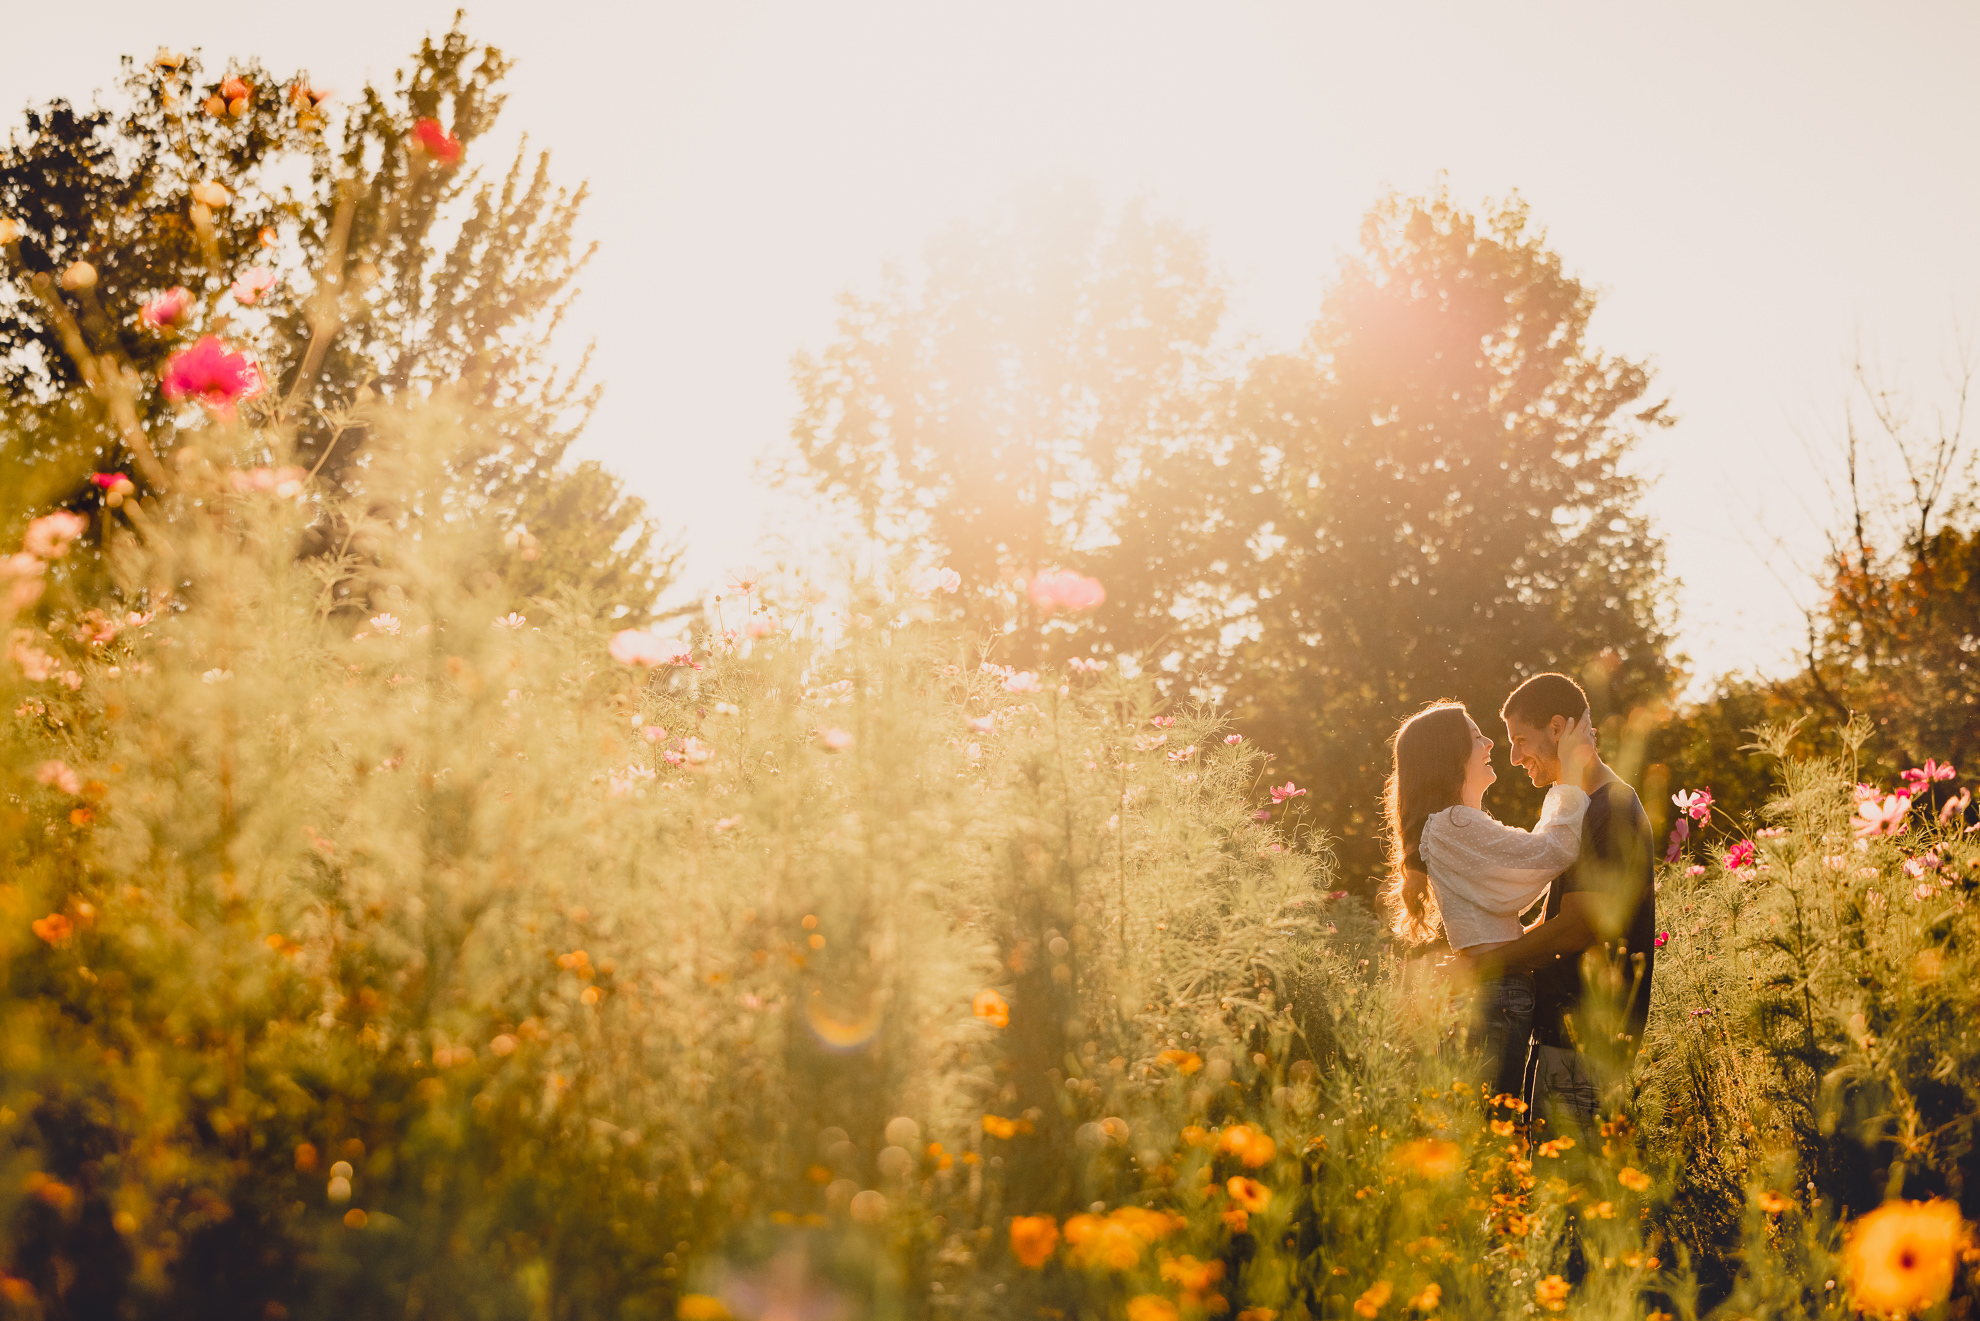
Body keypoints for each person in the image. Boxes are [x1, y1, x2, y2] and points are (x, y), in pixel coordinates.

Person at [1459, 673, 1658, 1138]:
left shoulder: (1613, 810)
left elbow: (1576, 928)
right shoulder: (1581, 808)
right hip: (1563, 1041)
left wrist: (1486, 964)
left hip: (1587, 1044)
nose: (1513, 757)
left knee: (1569, 1201)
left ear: (1556, 728)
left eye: (1520, 740)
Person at [1382, 700, 1596, 1111]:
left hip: (1492, 993)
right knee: (1486, 1134)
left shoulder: (1455, 824)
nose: (1490, 743)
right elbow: (1549, 853)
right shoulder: (1453, 824)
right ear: (1452, 755)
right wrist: (1568, 778)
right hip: (1492, 996)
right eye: (1477, 736)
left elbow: (1523, 877)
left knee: (1484, 1131)